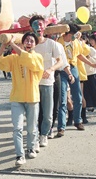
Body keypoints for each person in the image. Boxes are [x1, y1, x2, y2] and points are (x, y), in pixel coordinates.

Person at [0, 32, 43, 166]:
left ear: (35, 44)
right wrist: (4, 46)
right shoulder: (14, 58)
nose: (28, 43)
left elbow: (29, 61)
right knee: (17, 128)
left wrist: (13, 44)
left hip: (32, 97)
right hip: (17, 98)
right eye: (26, 40)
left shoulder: (38, 57)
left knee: (32, 127)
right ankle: (20, 155)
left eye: (31, 41)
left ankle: (31, 147)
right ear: (22, 42)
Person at [56, 23, 96, 137]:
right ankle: (61, 127)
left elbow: (80, 55)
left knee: (78, 96)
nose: (77, 36)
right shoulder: (58, 42)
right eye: (75, 34)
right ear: (69, 33)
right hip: (61, 70)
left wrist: (91, 64)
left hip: (74, 68)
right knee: (63, 99)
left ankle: (78, 120)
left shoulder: (75, 42)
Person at [29, 15, 63, 148]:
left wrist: (50, 69)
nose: (39, 27)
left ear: (45, 27)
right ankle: (36, 136)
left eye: (41, 24)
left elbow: (60, 61)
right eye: (36, 25)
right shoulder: (29, 43)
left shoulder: (52, 44)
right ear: (31, 27)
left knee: (48, 114)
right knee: (34, 113)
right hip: (33, 84)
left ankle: (44, 134)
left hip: (48, 83)